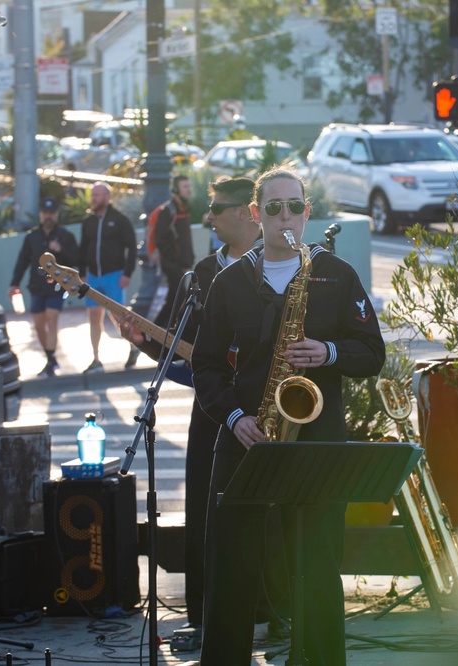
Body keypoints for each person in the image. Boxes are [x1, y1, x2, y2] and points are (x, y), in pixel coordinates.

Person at [191, 167, 385, 665]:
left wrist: (330, 352)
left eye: (294, 207)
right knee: (231, 569)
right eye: (273, 208)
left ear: (307, 212)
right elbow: (206, 367)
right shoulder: (230, 281)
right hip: (246, 438)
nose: (285, 217)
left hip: (316, 440)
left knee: (318, 565)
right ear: (255, 214)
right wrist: (235, 417)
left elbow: (372, 353)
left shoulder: (336, 276)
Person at [120, 177, 267, 642]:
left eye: (218, 209)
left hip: (270, 405)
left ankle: (274, 608)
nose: (209, 217)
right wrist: (141, 343)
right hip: (214, 410)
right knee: (208, 507)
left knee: (271, 510)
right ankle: (208, 616)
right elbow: (177, 348)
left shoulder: (284, 265)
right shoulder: (199, 274)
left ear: (248, 212)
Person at [8, 196, 79, 377]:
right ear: (41, 214)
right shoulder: (32, 237)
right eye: (46, 213)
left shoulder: (65, 236)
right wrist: (14, 283)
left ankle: (51, 358)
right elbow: (22, 261)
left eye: (52, 213)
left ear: (57, 214)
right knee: (39, 324)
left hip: (56, 287)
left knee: (51, 318)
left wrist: (60, 250)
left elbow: (76, 260)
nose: (49, 216)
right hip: (36, 286)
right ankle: (50, 358)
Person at [78, 182, 136, 374]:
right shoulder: (88, 222)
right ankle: (96, 359)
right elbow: (83, 249)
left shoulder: (120, 220)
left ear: (107, 197)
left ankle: (134, 347)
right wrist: (82, 273)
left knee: (118, 316)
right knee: (94, 316)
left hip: (114, 276)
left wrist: (127, 273)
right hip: (93, 278)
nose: (93, 198)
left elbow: (132, 247)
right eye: (92, 195)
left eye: (97, 195)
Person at [151, 174, 195, 332]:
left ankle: (160, 331)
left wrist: (187, 261)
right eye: (185, 187)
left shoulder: (183, 208)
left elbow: (184, 240)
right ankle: (156, 330)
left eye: (189, 186)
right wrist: (179, 262)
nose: (189, 190)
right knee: (179, 297)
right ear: (176, 189)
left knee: (175, 298)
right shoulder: (168, 210)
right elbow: (161, 240)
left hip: (180, 264)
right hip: (172, 264)